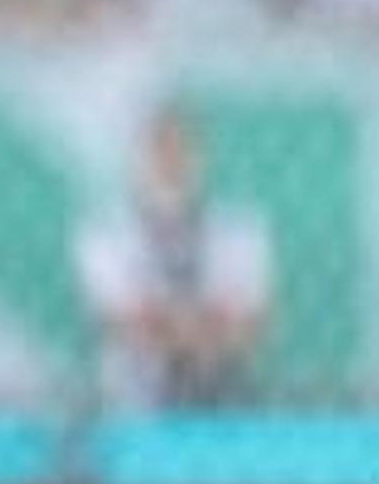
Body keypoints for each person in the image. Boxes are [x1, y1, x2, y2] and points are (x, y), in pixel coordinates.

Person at [77, 103, 273, 413]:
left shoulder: (236, 228)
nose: (171, 161)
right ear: (137, 159)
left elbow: (251, 322)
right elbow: (120, 322)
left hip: (224, 393)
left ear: (201, 156)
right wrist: (206, 326)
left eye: (183, 148)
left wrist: (166, 325)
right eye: (160, 148)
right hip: (135, 401)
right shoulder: (107, 231)